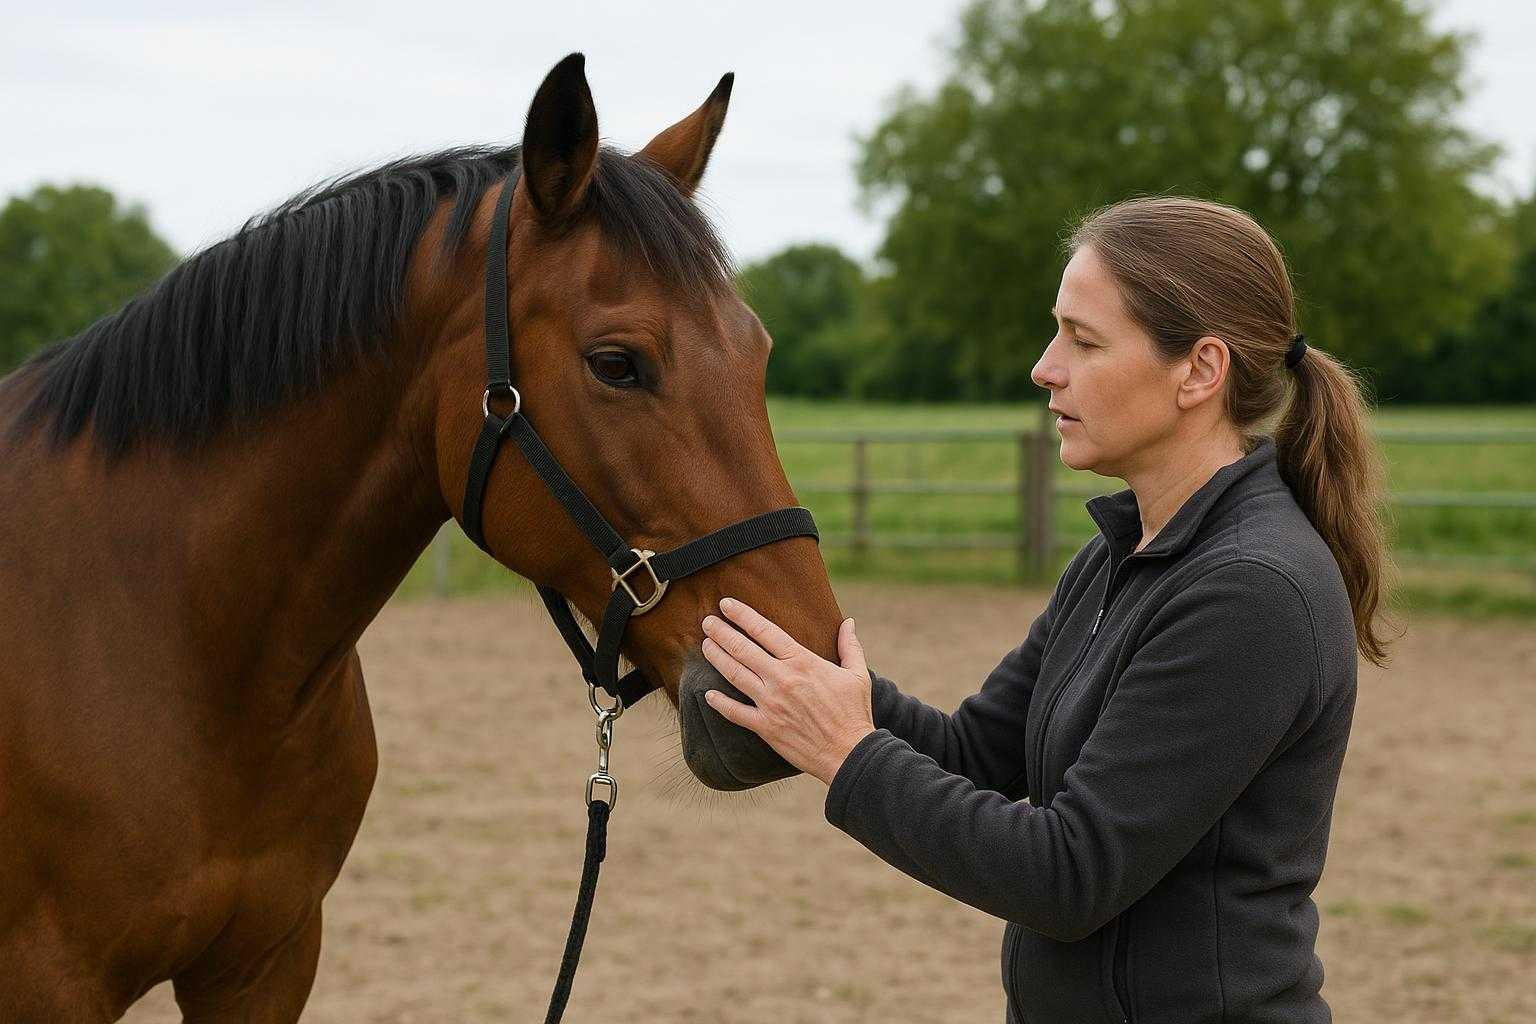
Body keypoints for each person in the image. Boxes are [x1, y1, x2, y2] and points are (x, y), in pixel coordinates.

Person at [698, 195, 1398, 1023]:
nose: (1045, 365)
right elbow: (972, 750)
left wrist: (846, 750)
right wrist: (801, 675)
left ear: (1200, 371)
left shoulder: (1253, 590)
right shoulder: (1120, 552)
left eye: (1084, 339)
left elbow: (1068, 874)